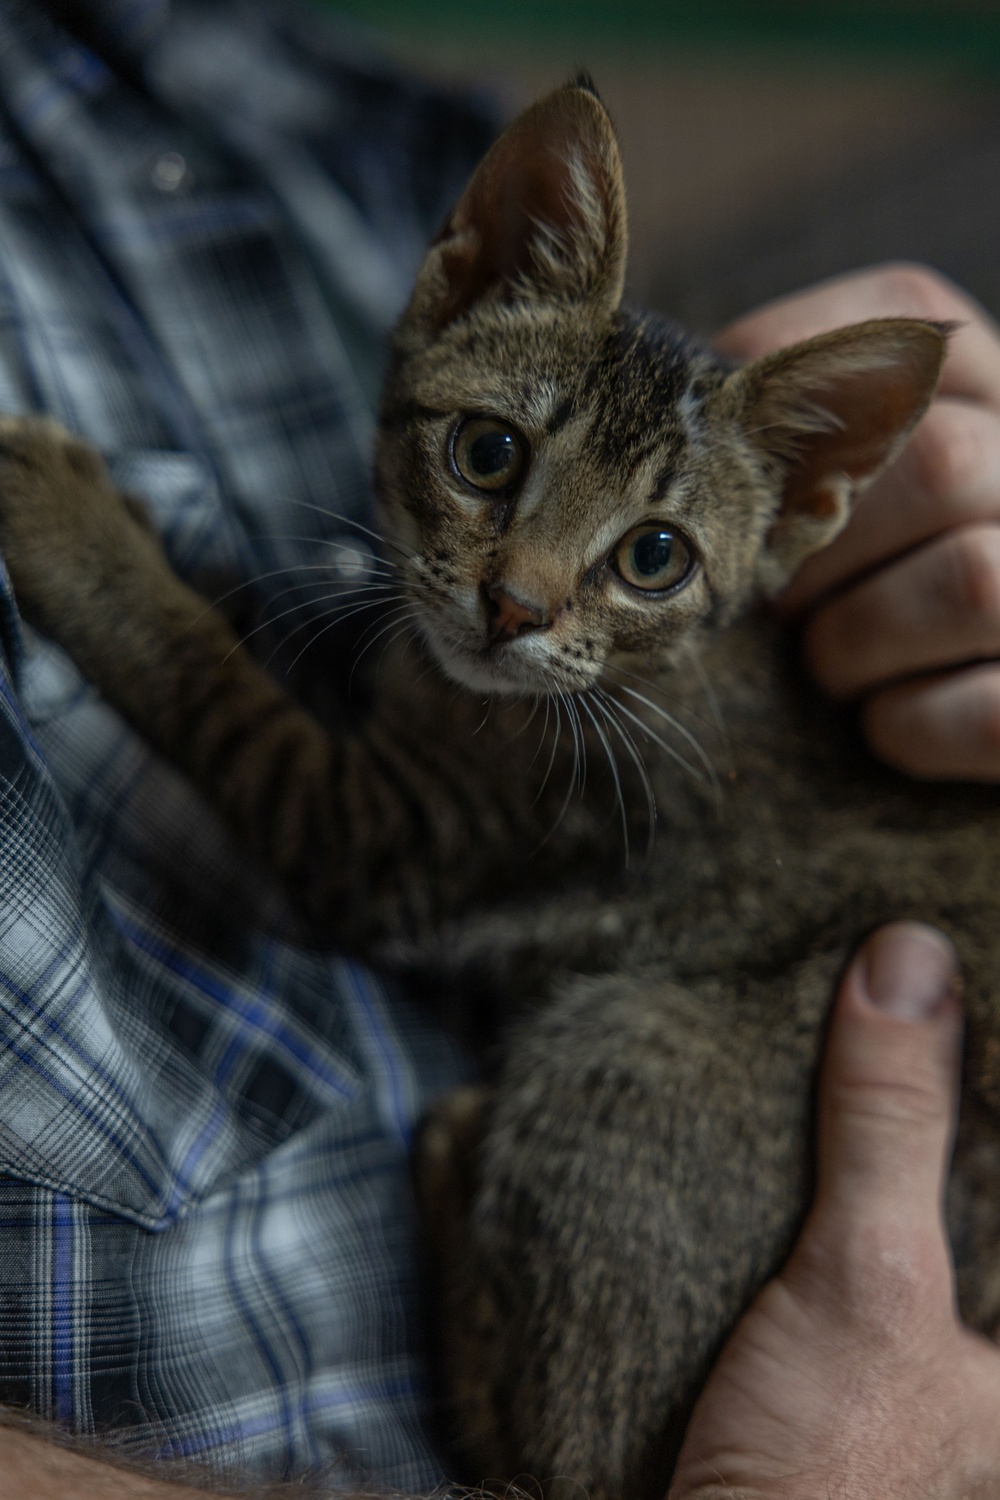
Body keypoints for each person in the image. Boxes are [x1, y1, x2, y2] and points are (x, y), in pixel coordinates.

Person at [0, 3, 998, 1496]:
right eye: (490, 460)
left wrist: (122, 593)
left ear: (793, 508)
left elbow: (362, 860)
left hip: (769, 1065)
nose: (521, 594)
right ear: (462, 278)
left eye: (648, 559)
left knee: (620, 1090)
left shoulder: (328, 111)